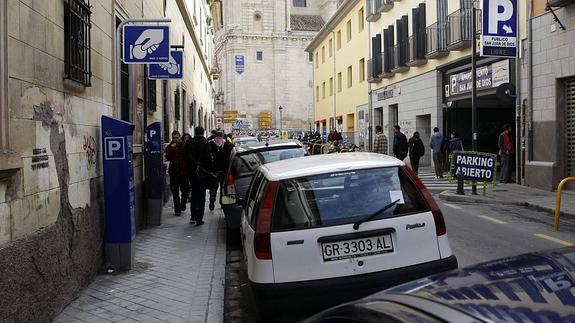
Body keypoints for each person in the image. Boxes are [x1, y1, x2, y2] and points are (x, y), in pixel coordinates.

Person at [186, 126, 213, 225]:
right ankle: (199, 218)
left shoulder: (189, 142)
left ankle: (193, 216)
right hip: (202, 173)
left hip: (192, 172)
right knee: (201, 195)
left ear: (195, 132)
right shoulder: (206, 143)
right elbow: (208, 158)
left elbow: (187, 157)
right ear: (203, 132)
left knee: (194, 194)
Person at [165, 131, 189, 216]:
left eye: (177, 138)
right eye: (174, 138)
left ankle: (183, 204)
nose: (175, 139)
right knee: (175, 193)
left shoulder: (184, 146)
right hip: (174, 173)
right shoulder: (169, 147)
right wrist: (172, 148)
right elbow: (167, 157)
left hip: (183, 173)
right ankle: (177, 210)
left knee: (185, 191)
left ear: (180, 137)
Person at [209, 131, 234, 211]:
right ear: (223, 136)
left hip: (214, 170)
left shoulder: (210, 143)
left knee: (213, 187)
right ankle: (221, 202)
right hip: (224, 169)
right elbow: (232, 149)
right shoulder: (226, 144)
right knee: (223, 187)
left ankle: (212, 200)